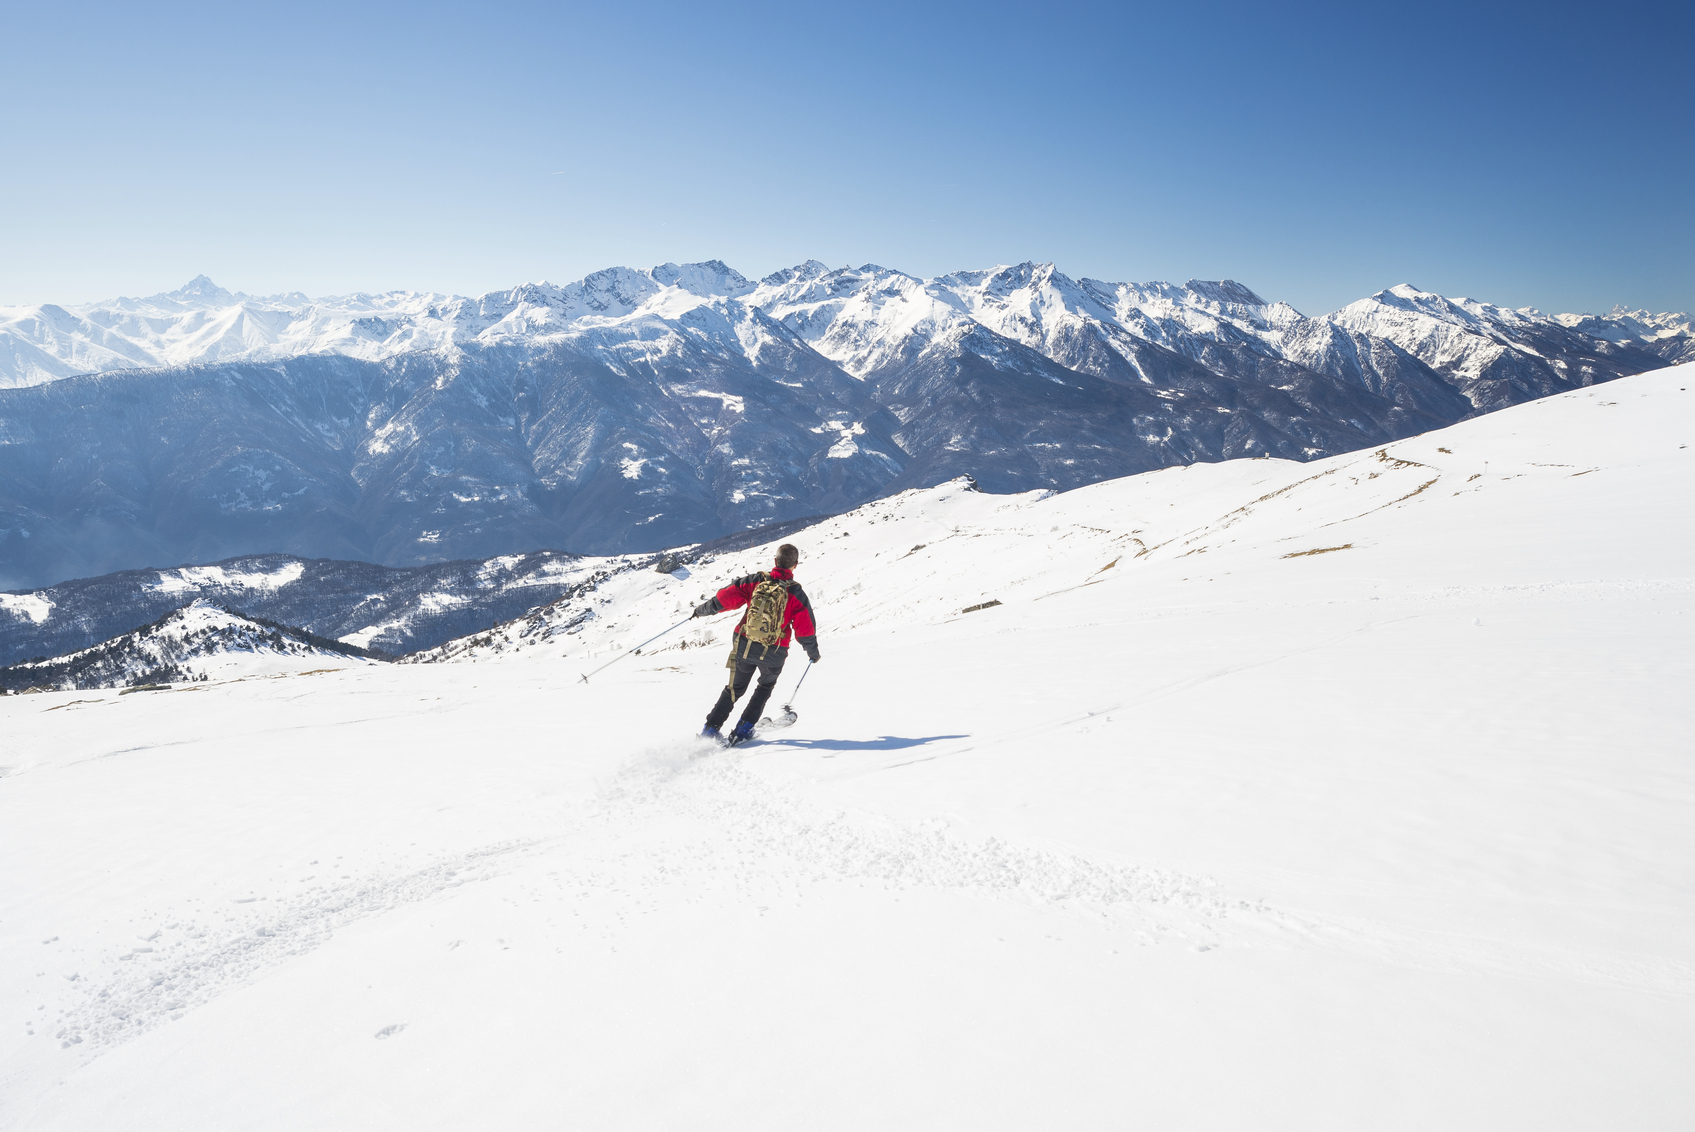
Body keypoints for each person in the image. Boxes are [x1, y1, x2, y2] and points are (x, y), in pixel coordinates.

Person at [693, 542, 820, 745]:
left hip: (744, 644)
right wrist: (813, 653)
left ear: (775, 561)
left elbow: (724, 598)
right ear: (795, 565)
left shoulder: (755, 581)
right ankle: (743, 730)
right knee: (764, 687)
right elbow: (806, 631)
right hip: (774, 652)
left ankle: (710, 730)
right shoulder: (796, 594)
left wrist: (701, 610)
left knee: (733, 689)